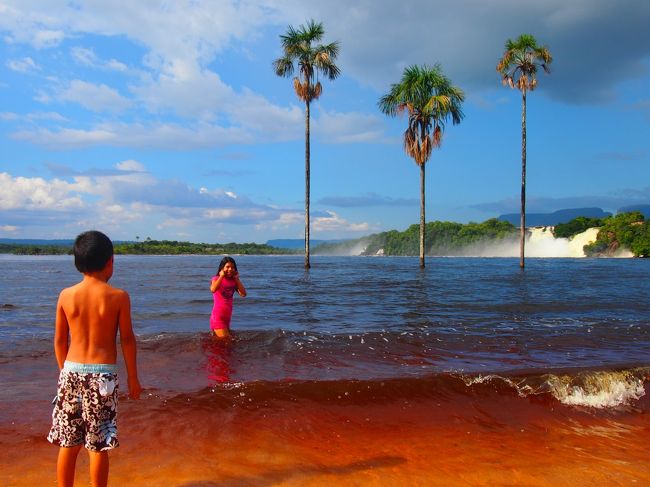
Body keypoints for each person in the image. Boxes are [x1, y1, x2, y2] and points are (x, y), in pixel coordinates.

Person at [47, 230, 142, 487]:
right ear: (110, 261)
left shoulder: (66, 295)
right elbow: (127, 340)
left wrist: (64, 372)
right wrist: (133, 378)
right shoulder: (118, 297)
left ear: (78, 262)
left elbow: (59, 340)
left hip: (70, 372)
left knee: (68, 442)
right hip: (102, 377)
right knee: (98, 445)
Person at [210, 256, 247, 338]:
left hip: (227, 318)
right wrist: (221, 276)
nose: (230, 269)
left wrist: (237, 279)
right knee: (227, 342)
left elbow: (243, 294)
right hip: (218, 317)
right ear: (222, 268)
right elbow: (213, 289)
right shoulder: (216, 279)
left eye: (233, 267)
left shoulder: (234, 281)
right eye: (227, 267)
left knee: (222, 345)